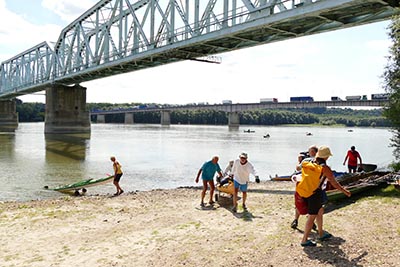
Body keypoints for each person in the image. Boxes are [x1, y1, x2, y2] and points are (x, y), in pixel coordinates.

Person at [297, 146, 351, 247]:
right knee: (312, 216)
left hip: (305, 191)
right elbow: (334, 183)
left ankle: (321, 233)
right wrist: (344, 191)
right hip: (315, 193)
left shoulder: (310, 162)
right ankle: (304, 240)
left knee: (320, 211)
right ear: (326, 157)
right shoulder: (324, 168)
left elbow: (298, 168)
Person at [291, 145, 318, 230]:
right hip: (313, 186)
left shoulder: (306, 160)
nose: (308, 152)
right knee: (311, 204)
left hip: (302, 185)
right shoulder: (319, 161)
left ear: (313, 152)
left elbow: (298, 169)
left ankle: (296, 220)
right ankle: (311, 221)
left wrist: (299, 163)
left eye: (309, 151)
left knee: (299, 203)